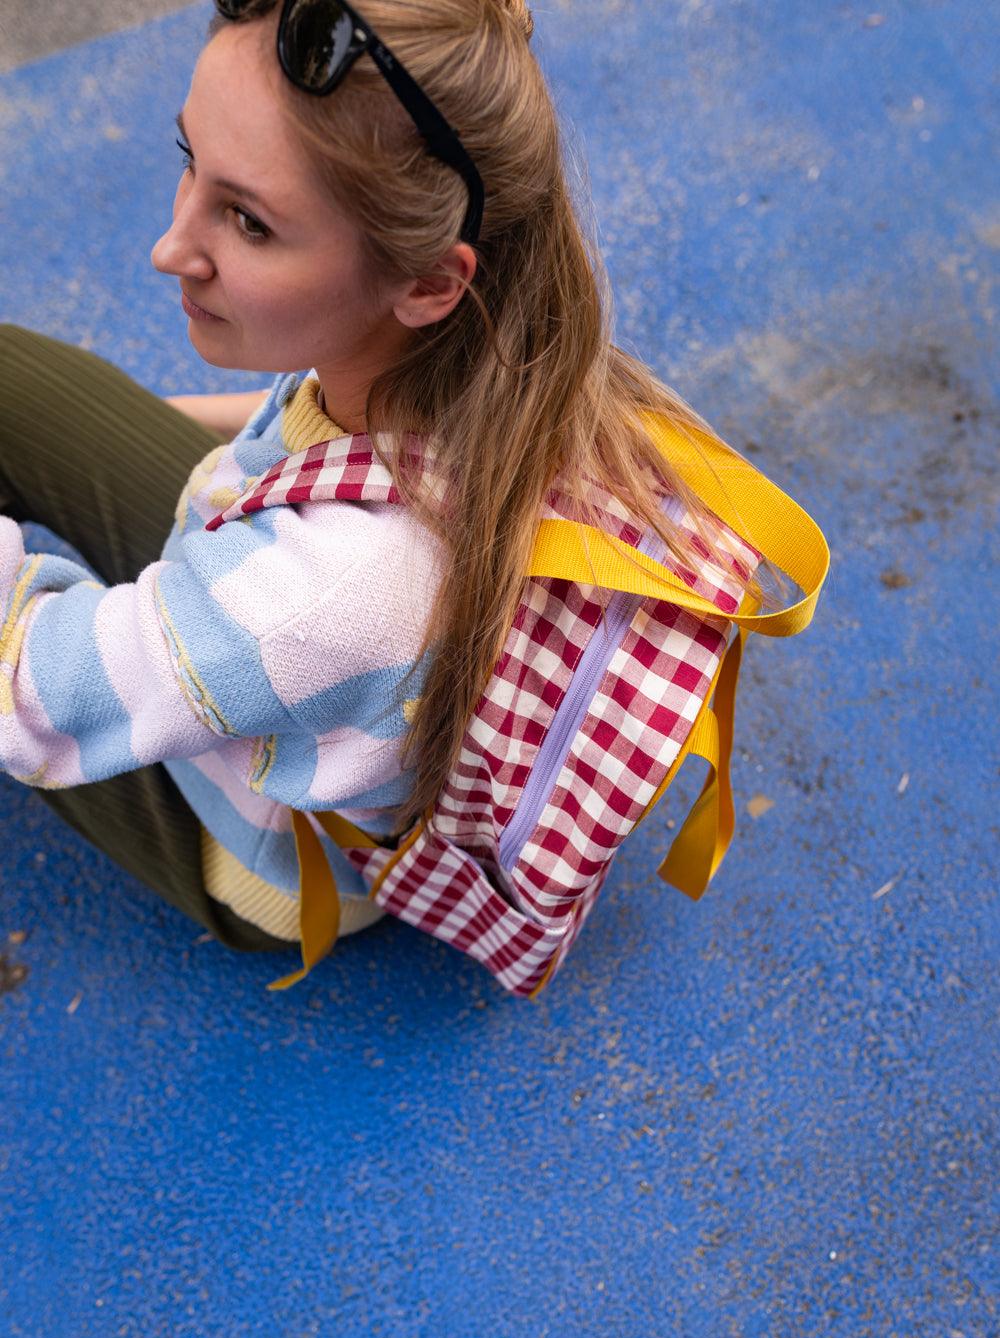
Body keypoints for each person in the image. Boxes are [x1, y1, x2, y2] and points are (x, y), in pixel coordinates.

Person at [0, 0, 768, 961]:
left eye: (248, 221)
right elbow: (299, 424)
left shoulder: (322, 592)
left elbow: (27, 691)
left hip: (254, 853)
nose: (171, 248)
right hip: (266, 608)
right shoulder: (488, 361)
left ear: (429, 282)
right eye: (188, 156)